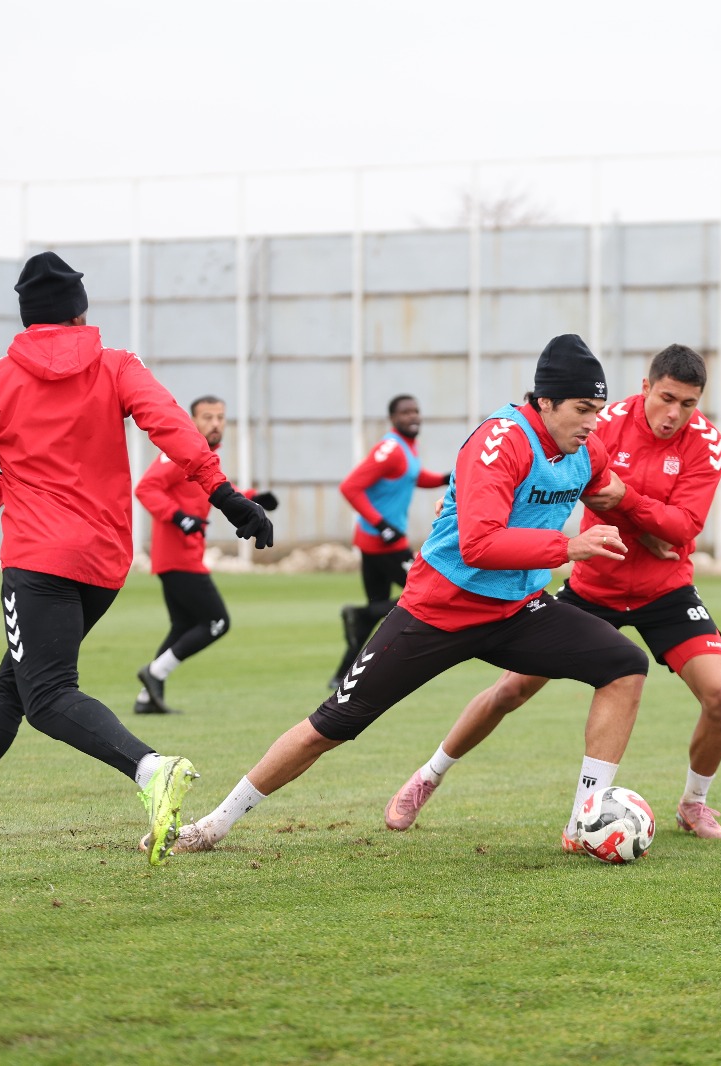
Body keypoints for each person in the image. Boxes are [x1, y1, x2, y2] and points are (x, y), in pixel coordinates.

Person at [161, 334, 651, 857]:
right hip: (439, 608)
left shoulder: (585, 449)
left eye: (598, 411)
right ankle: (212, 825)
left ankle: (585, 820)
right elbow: (479, 544)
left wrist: (659, 527)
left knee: (624, 665)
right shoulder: (502, 441)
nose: (593, 423)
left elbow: (609, 490)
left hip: (518, 609)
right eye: (582, 409)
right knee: (332, 725)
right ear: (545, 401)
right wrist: (569, 545)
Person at [0, 251, 274, 875]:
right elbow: (170, 427)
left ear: (26, 316)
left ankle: (152, 769)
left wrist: (2, 496)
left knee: (45, 695)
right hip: (103, 565)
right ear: (80, 310)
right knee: (12, 687)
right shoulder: (117, 364)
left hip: (37, 561)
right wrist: (227, 498)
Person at [384, 344, 721, 840]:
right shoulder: (602, 422)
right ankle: (429, 775)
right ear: (645, 388)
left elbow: (681, 527)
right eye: (666, 398)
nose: (674, 414)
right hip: (594, 584)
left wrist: (630, 503)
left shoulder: (707, 443)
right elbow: (588, 491)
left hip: (666, 589)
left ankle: (693, 804)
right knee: (510, 689)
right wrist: (647, 525)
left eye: (688, 404)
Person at [132, 393, 279, 714]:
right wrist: (178, 517)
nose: (215, 424)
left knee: (183, 626)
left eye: (220, 417)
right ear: (193, 421)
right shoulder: (177, 454)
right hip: (177, 556)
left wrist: (253, 497)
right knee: (217, 622)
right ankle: (154, 673)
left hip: (186, 555)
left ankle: (146, 699)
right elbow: (145, 488)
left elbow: (209, 488)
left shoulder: (204, 456)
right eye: (207, 417)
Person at [328, 394, 450, 689]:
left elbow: (413, 476)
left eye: (416, 411)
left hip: (378, 541)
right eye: (406, 412)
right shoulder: (391, 449)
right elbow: (350, 487)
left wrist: (446, 478)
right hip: (384, 543)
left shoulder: (407, 448)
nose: (413, 416)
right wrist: (382, 525)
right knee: (430, 592)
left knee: (377, 608)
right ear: (393, 418)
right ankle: (359, 614)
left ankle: (342, 674)